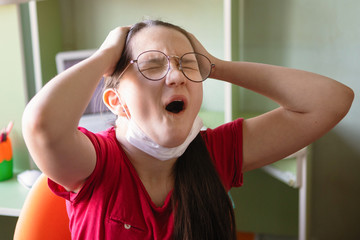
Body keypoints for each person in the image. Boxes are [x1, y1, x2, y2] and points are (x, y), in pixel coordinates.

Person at [22, 20, 354, 240]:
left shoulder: (214, 153)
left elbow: (331, 101)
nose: (177, 76)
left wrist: (216, 64)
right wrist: (107, 54)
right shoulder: (96, 163)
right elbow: (42, 126)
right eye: (152, 65)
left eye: (189, 65)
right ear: (116, 101)